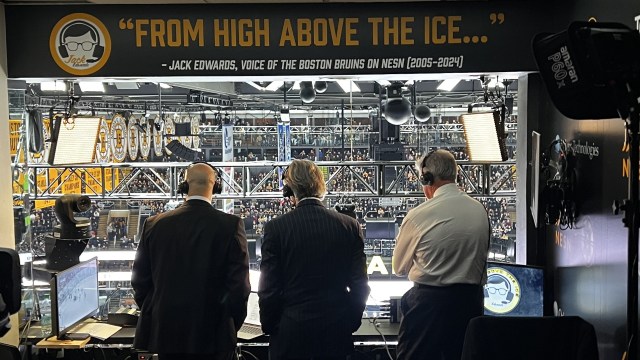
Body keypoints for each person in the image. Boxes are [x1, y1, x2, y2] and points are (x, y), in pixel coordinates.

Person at [131, 163, 250, 360]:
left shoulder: (154, 224)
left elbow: (140, 282)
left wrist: (162, 312)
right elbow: (239, 287)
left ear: (184, 185)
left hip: (167, 334)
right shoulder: (230, 226)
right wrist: (229, 323)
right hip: (215, 336)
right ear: (216, 186)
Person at [258, 159, 370, 360]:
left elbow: (269, 288)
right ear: (321, 185)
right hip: (336, 332)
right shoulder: (349, 226)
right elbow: (360, 284)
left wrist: (272, 326)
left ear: (289, 190)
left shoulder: (276, 228)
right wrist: (350, 322)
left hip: (290, 333)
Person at [392, 149, 490, 360]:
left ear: (426, 178)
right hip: (470, 304)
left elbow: (398, 268)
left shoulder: (419, 216)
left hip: (428, 307)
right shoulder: (480, 211)